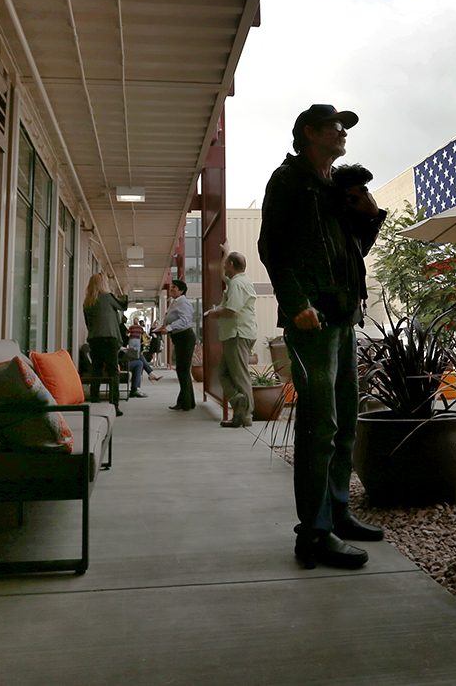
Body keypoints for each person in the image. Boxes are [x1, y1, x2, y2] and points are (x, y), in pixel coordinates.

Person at [258, 104, 386, 570]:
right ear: (310, 133)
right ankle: (313, 532)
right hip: (311, 318)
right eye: (336, 127)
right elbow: (271, 246)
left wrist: (370, 217)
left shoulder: (332, 187)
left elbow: (352, 252)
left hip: (341, 315)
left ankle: (337, 514)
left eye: (345, 128)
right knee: (320, 425)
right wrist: (296, 303)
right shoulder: (289, 180)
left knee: (346, 419)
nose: (343, 133)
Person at [205, 251, 257, 428]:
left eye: (226, 264)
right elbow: (223, 275)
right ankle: (238, 401)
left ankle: (245, 416)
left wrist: (214, 314)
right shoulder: (238, 281)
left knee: (240, 375)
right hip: (235, 334)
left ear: (232, 266)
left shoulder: (238, 284)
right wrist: (225, 252)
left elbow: (232, 310)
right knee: (224, 373)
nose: (224, 268)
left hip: (237, 335)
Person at [82, 273, 128, 402]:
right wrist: (124, 292)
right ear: (103, 283)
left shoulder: (88, 301)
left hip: (94, 339)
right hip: (109, 338)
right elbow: (122, 306)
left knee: (96, 370)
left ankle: (94, 400)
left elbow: (88, 324)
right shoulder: (107, 297)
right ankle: (114, 403)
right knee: (113, 371)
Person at [155, 279, 196, 411]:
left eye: (174, 288)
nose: (171, 289)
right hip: (179, 338)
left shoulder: (183, 303)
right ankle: (188, 401)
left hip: (185, 337)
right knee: (183, 370)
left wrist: (170, 327)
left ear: (181, 291)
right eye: (171, 287)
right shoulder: (175, 302)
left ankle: (184, 403)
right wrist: (163, 327)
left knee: (182, 370)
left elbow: (185, 320)